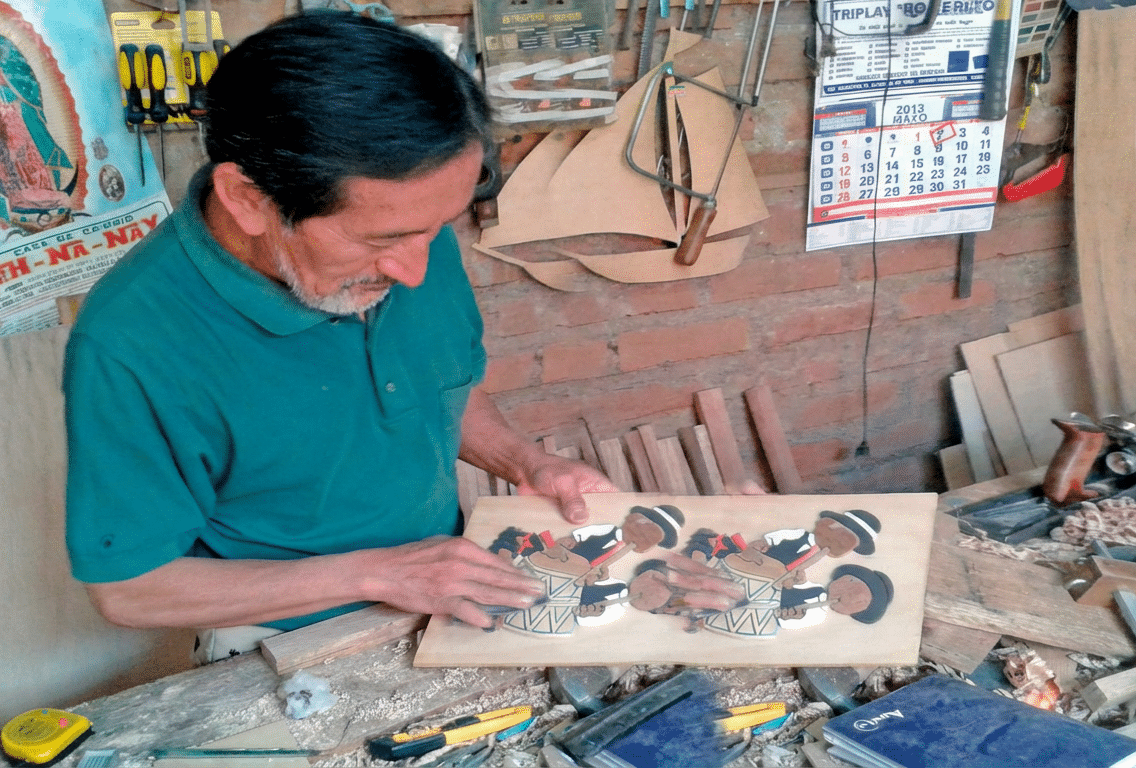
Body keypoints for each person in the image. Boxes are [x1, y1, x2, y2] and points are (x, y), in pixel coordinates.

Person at [61, 11, 740, 662]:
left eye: (438, 226)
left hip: (441, 591)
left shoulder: (407, 226)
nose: (416, 270)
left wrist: (524, 462)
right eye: (383, 241)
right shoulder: (132, 344)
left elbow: (436, 383)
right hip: (281, 638)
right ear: (249, 200)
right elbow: (129, 587)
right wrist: (379, 575)